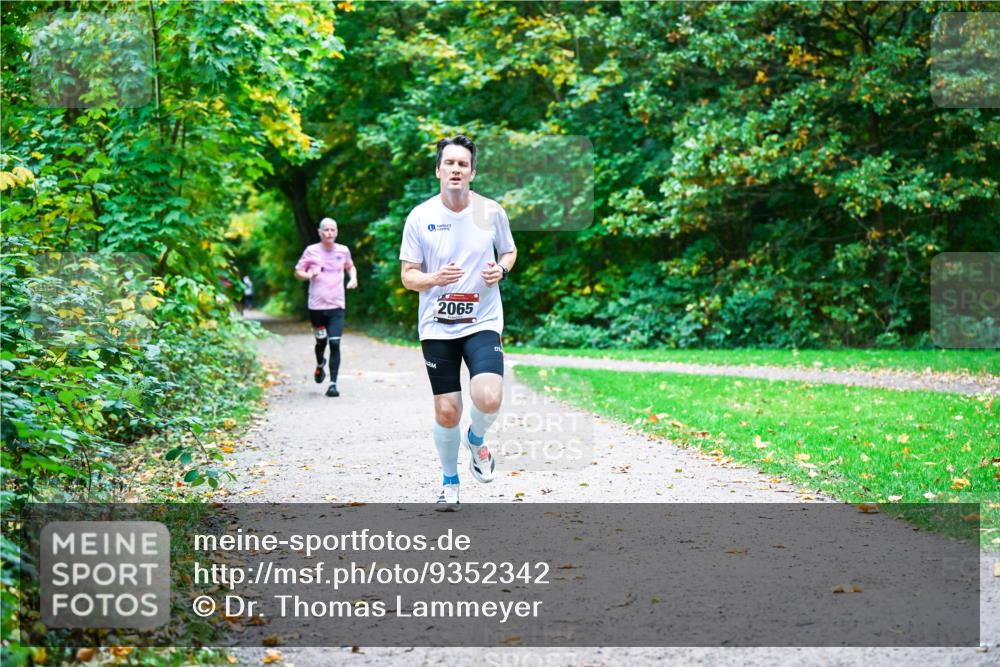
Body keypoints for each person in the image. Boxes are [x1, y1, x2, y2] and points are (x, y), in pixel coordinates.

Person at [399, 135, 517, 511]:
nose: (455, 169)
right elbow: (407, 277)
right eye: (449, 163)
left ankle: (476, 438)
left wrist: (500, 269)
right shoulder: (421, 217)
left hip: (482, 319)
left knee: (488, 396)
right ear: (438, 170)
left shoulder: (491, 212)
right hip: (437, 326)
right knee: (447, 409)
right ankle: (450, 480)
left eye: (462, 164)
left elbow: (510, 251)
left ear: (472, 172)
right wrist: (435, 279)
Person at [294, 217, 358, 397]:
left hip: (337, 305)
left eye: (332, 230)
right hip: (316, 307)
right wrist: (308, 275)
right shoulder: (311, 251)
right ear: (320, 232)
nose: (329, 233)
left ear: (336, 232)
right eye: (326, 230)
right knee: (321, 342)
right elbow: (298, 272)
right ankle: (320, 364)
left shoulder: (343, 250)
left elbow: (350, 267)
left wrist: (353, 279)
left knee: (335, 343)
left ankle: (333, 384)